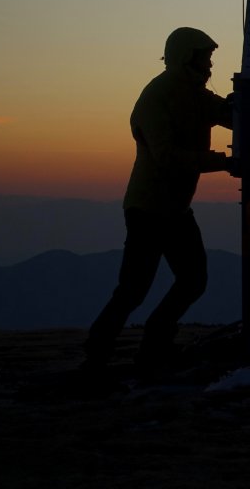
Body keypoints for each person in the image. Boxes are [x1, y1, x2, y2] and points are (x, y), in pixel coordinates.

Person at [83, 27, 236, 373]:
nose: (209, 65)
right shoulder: (157, 98)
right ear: (186, 58)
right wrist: (224, 162)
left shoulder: (195, 94)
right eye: (204, 57)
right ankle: (97, 353)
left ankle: (155, 342)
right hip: (148, 210)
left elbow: (230, 117)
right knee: (134, 289)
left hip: (176, 210)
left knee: (193, 280)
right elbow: (166, 155)